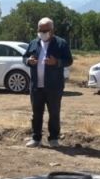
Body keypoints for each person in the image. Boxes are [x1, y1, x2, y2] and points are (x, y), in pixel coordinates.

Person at [21, 17, 73, 148]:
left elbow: (69, 60)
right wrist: (28, 61)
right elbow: (24, 57)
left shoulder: (61, 43)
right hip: (36, 86)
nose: (43, 33)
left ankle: (53, 138)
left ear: (52, 30)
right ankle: (36, 138)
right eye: (40, 30)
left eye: (45, 30)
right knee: (36, 114)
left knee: (54, 113)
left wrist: (56, 62)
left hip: (54, 87)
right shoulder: (33, 43)